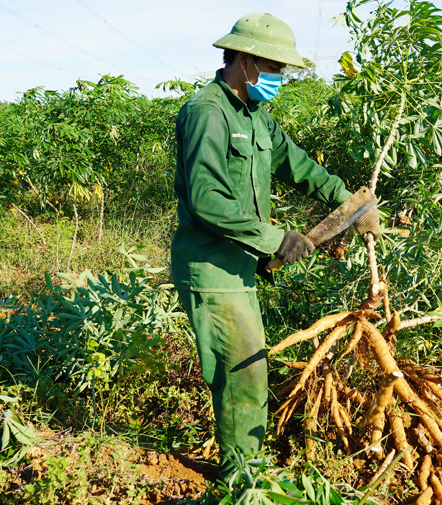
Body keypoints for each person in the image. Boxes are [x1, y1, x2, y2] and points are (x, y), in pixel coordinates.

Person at [170, 13, 380, 474]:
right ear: (244, 61)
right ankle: (243, 480)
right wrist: (274, 239)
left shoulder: (256, 117)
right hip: (211, 266)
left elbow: (300, 166)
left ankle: (245, 468)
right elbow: (206, 200)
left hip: (240, 266)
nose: (279, 78)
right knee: (243, 371)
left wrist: (352, 204)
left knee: (246, 367)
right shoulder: (207, 112)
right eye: (274, 68)